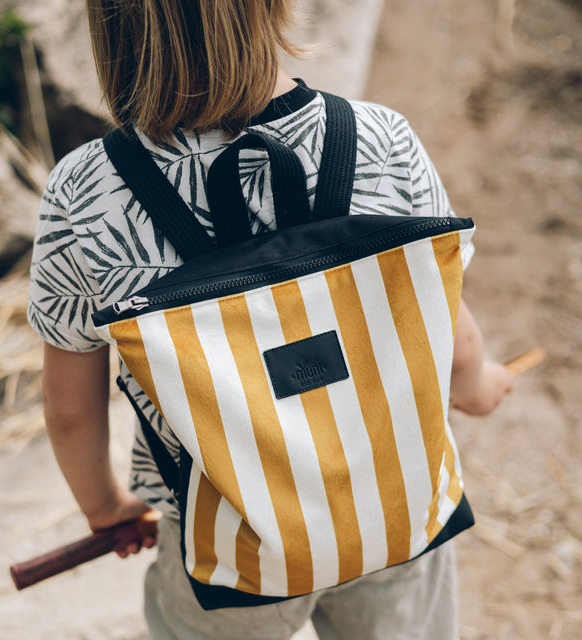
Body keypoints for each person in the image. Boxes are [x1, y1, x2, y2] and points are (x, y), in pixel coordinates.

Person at [27, 1, 513, 638]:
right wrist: (478, 385)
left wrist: (105, 507)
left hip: (229, 541)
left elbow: (70, 409)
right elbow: (447, 325)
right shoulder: (381, 138)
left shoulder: (85, 191)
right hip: (394, 507)